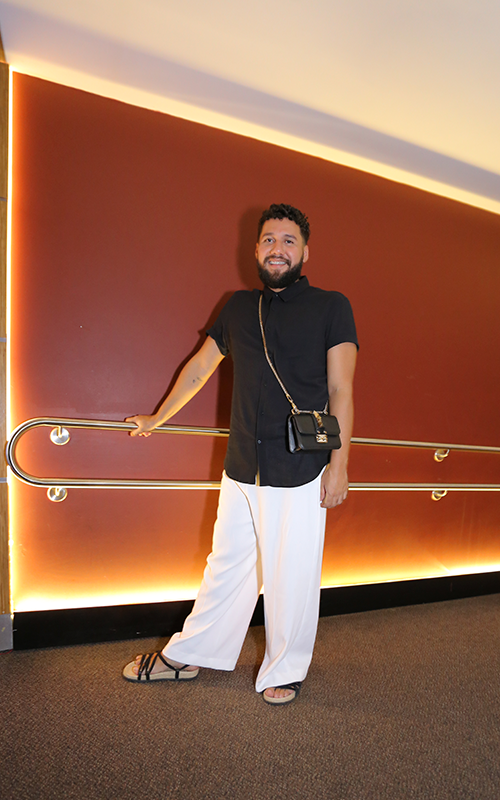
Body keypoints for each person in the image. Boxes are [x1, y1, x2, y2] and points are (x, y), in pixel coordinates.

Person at [122, 203, 358, 704]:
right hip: (241, 468)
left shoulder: (332, 306)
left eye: (289, 240)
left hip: (300, 468)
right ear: (255, 250)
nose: (278, 248)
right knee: (227, 565)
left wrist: (339, 466)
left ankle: (285, 668)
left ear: (305, 251)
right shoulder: (237, 308)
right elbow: (198, 367)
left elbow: (342, 389)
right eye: (269, 239)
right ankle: (192, 652)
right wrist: (158, 418)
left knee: (291, 573)